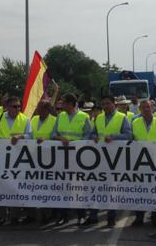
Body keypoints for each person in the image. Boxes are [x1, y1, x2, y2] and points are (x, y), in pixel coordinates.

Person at [85, 95, 133, 227]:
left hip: (115, 159)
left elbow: (129, 135)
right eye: (103, 104)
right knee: (95, 188)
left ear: (114, 104)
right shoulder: (98, 118)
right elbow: (92, 133)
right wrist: (94, 136)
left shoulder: (122, 118)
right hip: (99, 159)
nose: (105, 106)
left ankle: (111, 217)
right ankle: (93, 216)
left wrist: (114, 137)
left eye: (108, 103)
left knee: (112, 189)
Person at [51, 93, 93, 226]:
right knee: (63, 187)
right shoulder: (60, 116)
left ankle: (81, 215)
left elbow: (88, 135)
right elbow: (53, 134)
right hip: (62, 156)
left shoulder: (83, 116)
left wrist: (78, 143)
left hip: (78, 157)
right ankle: (64, 215)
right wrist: (61, 139)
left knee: (78, 187)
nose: (61, 105)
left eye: (63, 103)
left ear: (71, 104)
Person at [0, 96, 31, 225]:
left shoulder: (25, 119)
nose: (17, 109)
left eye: (19, 106)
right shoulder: (0, 117)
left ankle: (14, 216)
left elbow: (29, 135)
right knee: (1, 186)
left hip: (17, 158)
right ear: (8, 107)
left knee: (15, 186)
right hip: (2, 156)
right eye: (15, 106)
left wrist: (21, 136)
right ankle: (1, 216)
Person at [130, 99, 156, 228]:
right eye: (143, 107)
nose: (146, 109)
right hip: (139, 163)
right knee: (139, 191)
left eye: (148, 107)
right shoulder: (134, 123)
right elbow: (131, 141)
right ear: (139, 109)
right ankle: (139, 218)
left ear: (153, 108)